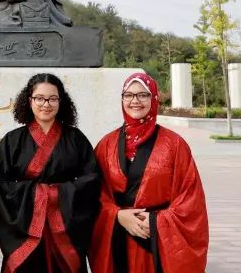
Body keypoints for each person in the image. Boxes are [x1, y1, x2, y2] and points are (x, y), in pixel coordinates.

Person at [89, 73, 209, 273]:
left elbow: (190, 199)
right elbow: (93, 194)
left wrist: (155, 222)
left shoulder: (174, 145)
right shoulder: (105, 145)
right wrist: (117, 216)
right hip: (118, 237)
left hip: (156, 241)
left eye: (143, 95)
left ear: (154, 99)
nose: (135, 101)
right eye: (128, 95)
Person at [0, 73, 101, 273]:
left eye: (52, 99)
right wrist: (39, 196)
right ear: (29, 100)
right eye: (39, 98)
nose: (46, 104)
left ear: (61, 101)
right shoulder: (12, 141)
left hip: (65, 231)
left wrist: (57, 195)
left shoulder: (76, 139)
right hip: (25, 231)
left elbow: (91, 181)